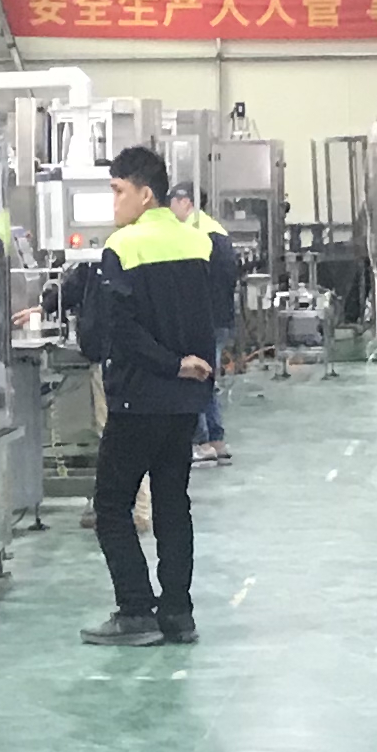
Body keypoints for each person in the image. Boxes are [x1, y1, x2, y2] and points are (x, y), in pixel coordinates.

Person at [81, 145, 221, 645]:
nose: (114, 202)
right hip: (185, 402)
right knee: (172, 504)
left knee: (111, 505)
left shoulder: (123, 248)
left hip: (137, 399)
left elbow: (120, 331)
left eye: (118, 191)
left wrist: (168, 364)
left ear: (145, 195)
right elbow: (211, 321)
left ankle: (136, 609)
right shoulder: (198, 244)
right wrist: (192, 372)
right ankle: (178, 614)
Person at [170, 183, 243, 463]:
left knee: (195, 379)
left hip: (204, 320)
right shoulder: (217, 230)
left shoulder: (194, 234)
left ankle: (200, 443)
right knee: (208, 380)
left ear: (185, 202)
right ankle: (216, 440)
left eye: (171, 204)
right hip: (221, 318)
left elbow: (191, 284)